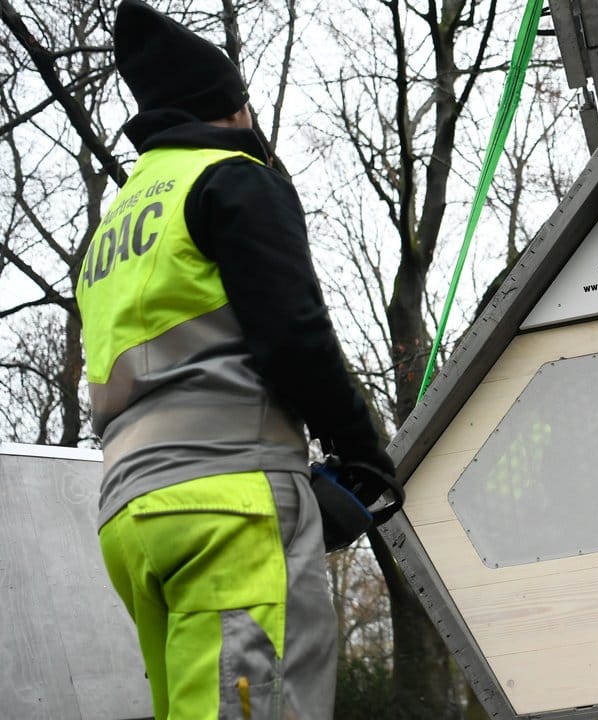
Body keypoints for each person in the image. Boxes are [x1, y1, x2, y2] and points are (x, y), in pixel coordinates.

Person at [76, 1, 397, 717]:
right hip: (231, 505)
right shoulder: (232, 176)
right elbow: (295, 337)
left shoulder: (116, 223)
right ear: (232, 108)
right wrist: (363, 453)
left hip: (132, 520)